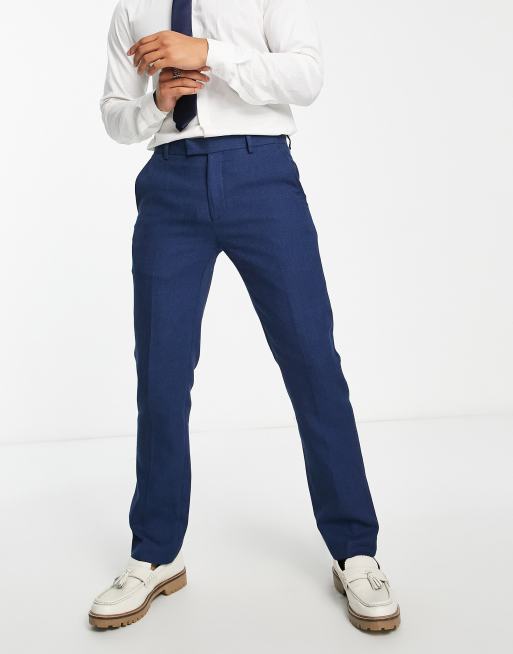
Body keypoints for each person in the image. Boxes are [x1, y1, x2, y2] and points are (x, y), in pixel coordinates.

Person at [88, 0, 400, 633]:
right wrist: (156, 103)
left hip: (262, 176)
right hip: (170, 183)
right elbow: (114, 114)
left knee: (312, 362)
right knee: (161, 375)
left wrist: (207, 54)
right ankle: (156, 553)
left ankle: (355, 550)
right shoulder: (133, 8)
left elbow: (306, 76)